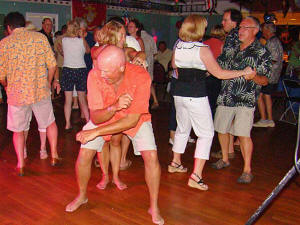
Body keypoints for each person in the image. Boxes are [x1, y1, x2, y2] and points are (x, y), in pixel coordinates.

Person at [65, 45, 164, 225]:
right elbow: (95, 116)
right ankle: (82, 196)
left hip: (135, 119)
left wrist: (94, 132)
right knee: (85, 153)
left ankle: (154, 206)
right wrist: (114, 106)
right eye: (99, 68)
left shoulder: (140, 76)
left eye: (106, 71)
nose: (101, 74)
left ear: (121, 67)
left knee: (151, 156)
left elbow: (132, 121)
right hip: (107, 115)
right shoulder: (95, 75)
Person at [168, 15, 256, 191]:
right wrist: (242, 71)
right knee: (206, 134)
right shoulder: (202, 48)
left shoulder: (178, 45)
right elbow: (220, 74)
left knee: (182, 128)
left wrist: (199, 71)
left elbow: (175, 66)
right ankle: (196, 175)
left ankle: (175, 162)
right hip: (196, 95)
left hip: (179, 94)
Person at [212, 16, 272, 184]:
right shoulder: (231, 48)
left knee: (243, 134)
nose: (240, 31)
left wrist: (254, 77)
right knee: (221, 129)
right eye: (240, 28)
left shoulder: (262, 52)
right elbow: (218, 65)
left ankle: (247, 169)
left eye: (245, 28)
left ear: (255, 30)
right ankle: (224, 158)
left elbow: (265, 80)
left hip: (245, 99)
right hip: (226, 95)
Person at [0, 12, 61, 176]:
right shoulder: (40, 39)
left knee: (18, 130)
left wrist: (7, 86)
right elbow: (53, 64)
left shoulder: (4, 43)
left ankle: (21, 163)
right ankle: (54, 155)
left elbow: (1, 75)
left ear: (9, 27)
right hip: (40, 90)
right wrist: (48, 82)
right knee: (49, 122)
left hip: (17, 94)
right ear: (23, 24)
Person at [210, 8, 243, 160]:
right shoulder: (239, 36)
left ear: (234, 22)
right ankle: (229, 151)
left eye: (225, 20)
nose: (222, 22)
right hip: (240, 84)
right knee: (230, 119)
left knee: (224, 119)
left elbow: (225, 60)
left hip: (231, 84)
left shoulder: (232, 38)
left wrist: (209, 68)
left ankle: (226, 154)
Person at [61, 19, 90, 130]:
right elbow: (88, 51)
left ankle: (67, 123)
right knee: (82, 98)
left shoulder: (64, 40)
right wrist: (82, 37)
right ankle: (88, 122)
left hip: (68, 70)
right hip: (80, 70)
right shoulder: (81, 41)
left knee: (68, 100)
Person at [253, 23, 283, 128]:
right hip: (272, 74)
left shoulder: (272, 42)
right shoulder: (274, 41)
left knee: (262, 95)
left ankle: (266, 119)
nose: (262, 32)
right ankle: (266, 118)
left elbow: (273, 60)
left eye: (263, 30)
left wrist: (261, 66)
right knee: (265, 95)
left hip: (269, 75)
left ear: (267, 30)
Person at [204, 24, 226, 116]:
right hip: (216, 75)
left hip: (205, 75)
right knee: (214, 102)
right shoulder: (223, 45)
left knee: (206, 102)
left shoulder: (205, 43)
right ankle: (212, 125)